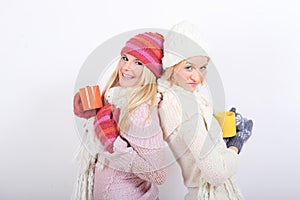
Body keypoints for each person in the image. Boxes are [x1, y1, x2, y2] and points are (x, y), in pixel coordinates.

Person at [158, 21, 253, 200]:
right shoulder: (182, 106)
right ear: (171, 66)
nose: (197, 77)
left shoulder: (184, 97)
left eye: (202, 67)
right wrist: (236, 145)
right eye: (188, 67)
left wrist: (219, 131)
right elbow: (216, 173)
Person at [73, 32, 166, 200]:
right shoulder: (115, 99)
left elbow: (157, 173)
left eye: (138, 62)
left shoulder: (140, 110)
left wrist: (114, 144)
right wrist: (93, 115)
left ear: (150, 71)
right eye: (125, 58)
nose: (126, 67)